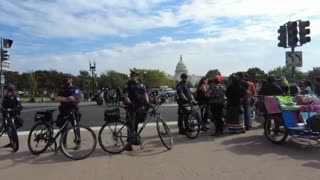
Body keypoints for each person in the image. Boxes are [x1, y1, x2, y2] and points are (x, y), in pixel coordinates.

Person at [122, 71, 150, 151]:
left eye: (136, 75)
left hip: (139, 107)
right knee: (131, 125)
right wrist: (129, 103)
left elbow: (145, 94)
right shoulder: (128, 84)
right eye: (132, 75)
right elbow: (125, 95)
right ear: (130, 76)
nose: (134, 77)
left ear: (138, 76)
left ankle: (133, 141)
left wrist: (147, 102)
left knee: (136, 125)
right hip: (131, 107)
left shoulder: (141, 85)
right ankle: (129, 144)